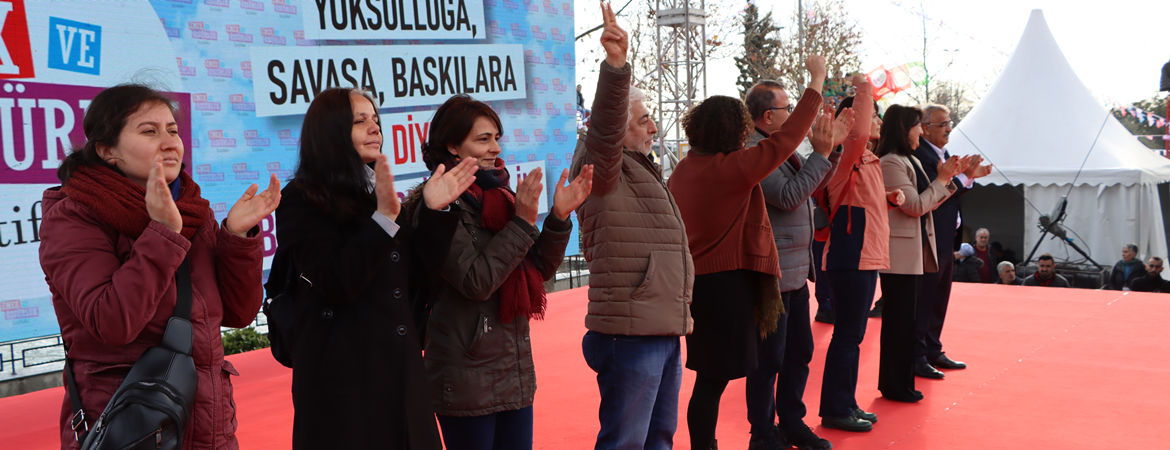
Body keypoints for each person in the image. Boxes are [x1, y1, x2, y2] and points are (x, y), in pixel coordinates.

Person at [39, 83, 280, 449]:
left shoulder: (192, 209)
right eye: (150, 131)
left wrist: (235, 235)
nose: (169, 142)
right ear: (107, 150)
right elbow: (112, 321)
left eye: (173, 130)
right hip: (130, 426)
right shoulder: (73, 217)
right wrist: (163, 233)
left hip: (208, 424)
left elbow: (239, 312)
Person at [270, 88, 478, 449]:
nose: (375, 128)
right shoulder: (301, 198)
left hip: (401, 374)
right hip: (343, 387)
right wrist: (382, 219)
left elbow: (420, 275)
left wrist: (434, 210)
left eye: (376, 120)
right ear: (330, 130)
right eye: (360, 121)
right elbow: (338, 282)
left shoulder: (375, 194)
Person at [668, 55, 834, 450]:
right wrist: (817, 81)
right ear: (735, 129)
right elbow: (787, 138)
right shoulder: (732, 168)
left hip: (697, 284)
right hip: (727, 284)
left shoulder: (683, 170)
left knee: (710, 380)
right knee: (716, 379)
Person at [410, 93, 592, 449]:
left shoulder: (497, 194)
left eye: (497, 137)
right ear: (452, 146)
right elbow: (476, 281)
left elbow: (536, 269)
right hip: (466, 376)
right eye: (483, 139)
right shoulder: (436, 207)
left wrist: (558, 218)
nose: (495, 147)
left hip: (513, 368)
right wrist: (523, 222)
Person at [570, 4, 694, 449]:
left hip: (661, 329)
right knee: (626, 442)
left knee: (658, 439)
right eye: (643, 119)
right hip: (629, 333)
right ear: (616, 124)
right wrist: (616, 68)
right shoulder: (600, 164)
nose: (654, 127)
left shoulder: (643, 169)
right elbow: (602, 130)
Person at [746, 78, 850, 450]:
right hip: (771, 273)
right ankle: (762, 432)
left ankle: (791, 421)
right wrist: (821, 153)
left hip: (794, 269)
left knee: (798, 353)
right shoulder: (755, 150)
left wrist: (831, 150)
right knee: (768, 359)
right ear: (769, 116)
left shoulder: (782, 148)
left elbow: (813, 185)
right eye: (789, 108)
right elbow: (790, 196)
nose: (795, 115)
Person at [817, 78, 891, 433]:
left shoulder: (868, 158)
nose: (877, 121)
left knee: (853, 336)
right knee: (847, 336)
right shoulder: (849, 153)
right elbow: (859, 128)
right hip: (851, 256)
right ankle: (834, 408)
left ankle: (845, 402)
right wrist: (865, 88)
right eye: (873, 114)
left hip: (864, 256)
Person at [875, 104, 962, 403]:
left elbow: (928, 201)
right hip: (899, 253)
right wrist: (941, 180)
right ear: (904, 129)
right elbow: (913, 206)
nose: (921, 132)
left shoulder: (904, 159)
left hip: (912, 251)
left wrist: (946, 180)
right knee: (899, 323)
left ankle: (900, 383)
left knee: (906, 322)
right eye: (916, 127)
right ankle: (895, 385)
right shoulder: (891, 162)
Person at [913, 104, 991, 378]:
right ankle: (917, 355)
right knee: (924, 299)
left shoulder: (942, 153)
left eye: (950, 122)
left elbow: (952, 190)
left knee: (940, 298)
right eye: (943, 124)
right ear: (925, 128)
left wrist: (968, 177)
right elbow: (936, 191)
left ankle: (933, 349)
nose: (949, 128)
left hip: (947, 236)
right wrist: (964, 176)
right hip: (929, 237)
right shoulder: (920, 155)